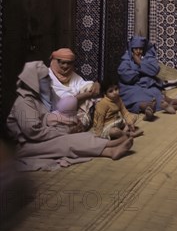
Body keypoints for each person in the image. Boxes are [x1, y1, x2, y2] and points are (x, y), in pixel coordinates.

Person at [6, 61, 134, 171]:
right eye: (44, 78)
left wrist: (64, 125)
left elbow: (48, 116)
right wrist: (63, 131)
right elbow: (33, 132)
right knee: (66, 143)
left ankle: (110, 148)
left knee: (80, 136)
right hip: (26, 145)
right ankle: (110, 148)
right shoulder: (23, 103)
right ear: (34, 82)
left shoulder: (35, 99)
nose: (48, 81)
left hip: (41, 137)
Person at [118, 36, 177, 119]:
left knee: (155, 94)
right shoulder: (126, 61)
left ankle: (155, 107)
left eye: (141, 49)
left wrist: (139, 63)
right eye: (136, 49)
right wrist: (144, 71)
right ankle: (147, 107)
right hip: (132, 87)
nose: (138, 51)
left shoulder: (148, 58)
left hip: (148, 85)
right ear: (131, 49)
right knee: (133, 98)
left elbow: (154, 70)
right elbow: (126, 75)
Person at [48, 48, 100, 130]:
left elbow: (84, 85)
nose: (65, 66)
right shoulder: (48, 77)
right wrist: (84, 95)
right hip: (58, 113)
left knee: (90, 87)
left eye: (69, 63)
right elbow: (62, 102)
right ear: (55, 62)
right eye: (63, 63)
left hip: (75, 110)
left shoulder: (72, 75)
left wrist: (96, 84)